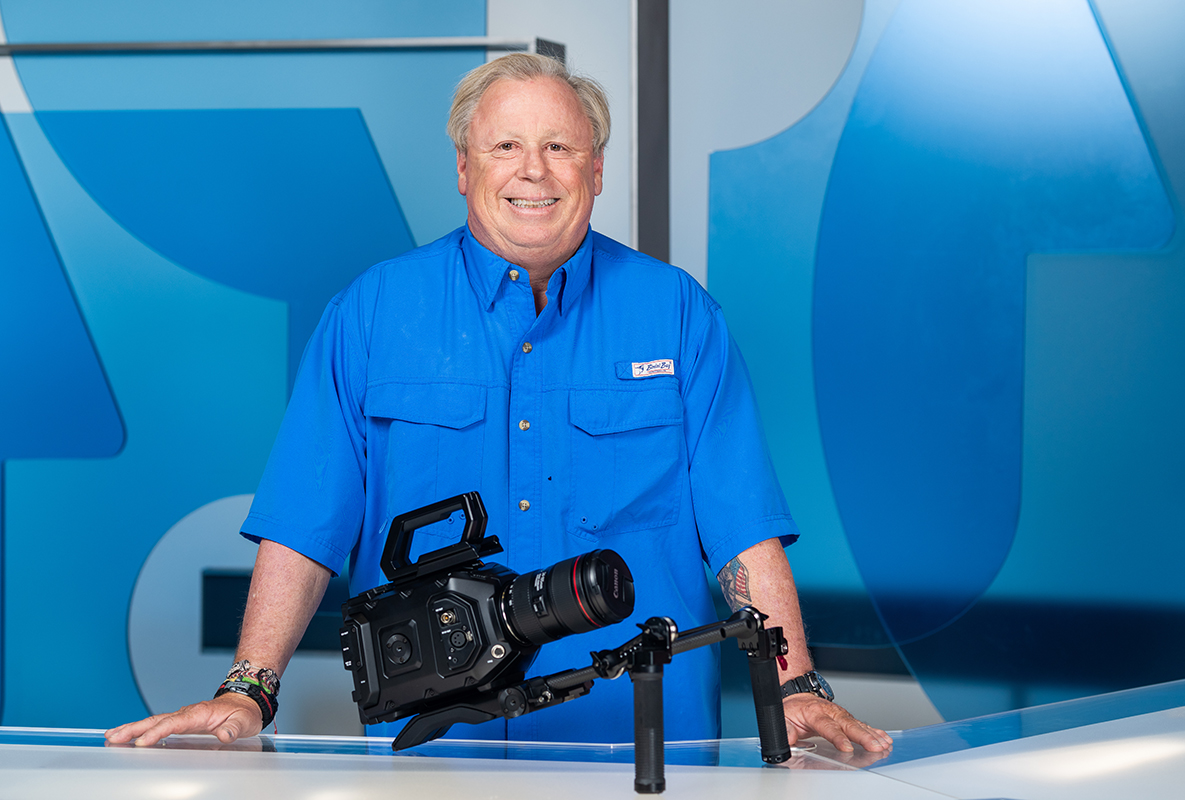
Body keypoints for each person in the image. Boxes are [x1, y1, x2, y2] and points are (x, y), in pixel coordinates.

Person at [107, 53, 892, 754]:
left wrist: (792, 685)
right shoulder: (373, 313)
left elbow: (741, 529)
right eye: (506, 146)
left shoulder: (679, 315)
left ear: (597, 167)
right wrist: (250, 689)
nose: (534, 172)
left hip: (644, 745)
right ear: (463, 166)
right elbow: (306, 527)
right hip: (432, 747)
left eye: (559, 147)